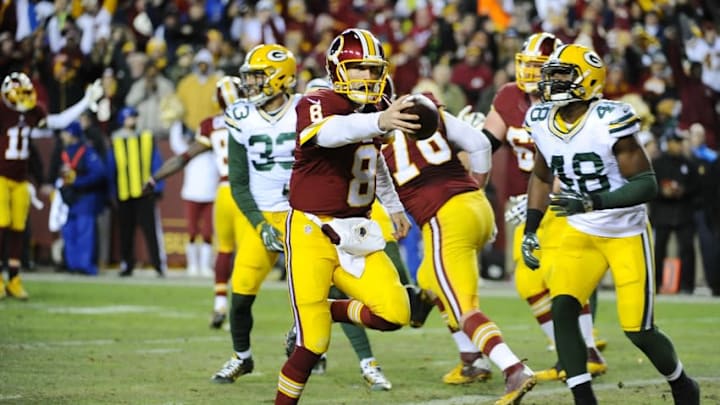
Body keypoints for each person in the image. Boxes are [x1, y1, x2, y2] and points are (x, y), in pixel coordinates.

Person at [522, 43, 700, 405]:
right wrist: (530, 228)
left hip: (625, 231)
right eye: (551, 75)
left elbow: (647, 183)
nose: (551, 82)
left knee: (639, 330)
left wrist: (593, 201)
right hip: (582, 230)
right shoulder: (541, 119)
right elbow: (541, 177)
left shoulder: (608, 118)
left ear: (586, 80)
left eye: (561, 75)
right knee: (563, 308)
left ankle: (682, 383)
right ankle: (584, 399)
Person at [275, 28, 426, 404]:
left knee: (396, 312)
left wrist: (392, 205)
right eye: (359, 68)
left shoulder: (375, 109)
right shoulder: (317, 100)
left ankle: (320, 308)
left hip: (357, 231)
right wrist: (379, 122)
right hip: (311, 229)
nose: (368, 77)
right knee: (312, 345)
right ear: (337, 69)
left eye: (374, 70)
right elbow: (331, 134)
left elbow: (373, 161)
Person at [464, 32, 606, 381]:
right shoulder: (509, 96)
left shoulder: (567, 100)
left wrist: (542, 194)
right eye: (524, 64)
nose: (528, 71)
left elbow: (576, 157)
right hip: (529, 201)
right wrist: (462, 137)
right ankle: (567, 351)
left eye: (537, 66)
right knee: (528, 283)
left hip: (566, 197)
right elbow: (486, 144)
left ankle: (586, 352)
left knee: (564, 276)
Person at [382, 92, 537, 403]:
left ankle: (513, 368)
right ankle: (471, 361)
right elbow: (480, 145)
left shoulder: (368, 140)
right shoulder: (425, 112)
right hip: (476, 205)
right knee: (429, 279)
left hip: (444, 218)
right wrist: (476, 187)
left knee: (464, 308)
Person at [209, 44, 301, 383]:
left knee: (320, 288)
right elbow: (237, 181)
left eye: (258, 77)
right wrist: (259, 223)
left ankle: (307, 341)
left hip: (301, 215)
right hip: (261, 215)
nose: (250, 84)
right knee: (241, 293)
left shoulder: (306, 109)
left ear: (280, 77)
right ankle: (241, 357)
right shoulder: (241, 115)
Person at [147, 76, 241, 326]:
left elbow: (183, 157)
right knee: (253, 254)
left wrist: (156, 177)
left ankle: (220, 303)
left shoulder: (211, 124)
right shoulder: (253, 119)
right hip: (247, 190)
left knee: (224, 250)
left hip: (222, 191)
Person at [0, 71, 102, 299]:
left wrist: (86, 101)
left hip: (20, 180)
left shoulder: (32, 112)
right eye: (19, 94)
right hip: (1, 178)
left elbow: (60, 121)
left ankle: (14, 279)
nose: (23, 99)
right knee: (2, 224)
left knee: (18, 228)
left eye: (26, 93)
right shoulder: (2, 111)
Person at [107, 106, 167, 277]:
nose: (132, 120)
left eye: (134, 117)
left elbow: (157, 162)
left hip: (144, 192)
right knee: (126, 232)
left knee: (150, 230)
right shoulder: (116, 140)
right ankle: (127, 264)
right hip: (124, 192)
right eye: (129, 118)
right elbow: (111, 168)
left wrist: (158, 186)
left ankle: (158, 265)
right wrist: (112, 192)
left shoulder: (146, 137)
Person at [56, 121, 107, 275]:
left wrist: (77, 182)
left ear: (72, 134)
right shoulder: (65, 151)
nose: (62, 136)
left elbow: (99, 173)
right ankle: (73, 265)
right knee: (69, 231)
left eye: (65, 132)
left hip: (85, 197)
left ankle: (85, 266)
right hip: (70, 197)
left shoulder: (87, 151)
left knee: (85, 232)